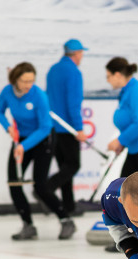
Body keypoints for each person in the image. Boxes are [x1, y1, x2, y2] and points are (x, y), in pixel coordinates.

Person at [0, 62, 76, 241]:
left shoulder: (39, 96)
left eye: (31, 81)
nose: (28, 85)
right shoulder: (7, 92)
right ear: (15, 80)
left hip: (43, 140)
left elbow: (45, 127)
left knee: (40, 186)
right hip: (21, 139)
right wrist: (8, 127)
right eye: (25, 81)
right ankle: (28, 225)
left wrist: (23, 147)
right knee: (14, 183)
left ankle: (66, 220)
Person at [46, 39, 89, 217]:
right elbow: (73, 103)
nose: (82, 57)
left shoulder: (53, 70)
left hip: (53, 127)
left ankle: (69, 206)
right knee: (72, 165)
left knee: (64, 167)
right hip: (68, 128)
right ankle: (46, 189)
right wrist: (79, 128)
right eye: (81, 53)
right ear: (76, 54)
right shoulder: (74, 73)